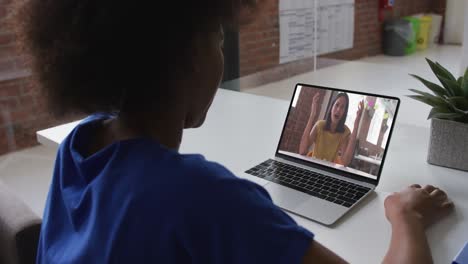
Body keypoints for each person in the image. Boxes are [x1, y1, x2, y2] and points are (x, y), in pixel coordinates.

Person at [13, 0, 454, 263]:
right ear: (186, 56)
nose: (220, 55)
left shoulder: (80, 145)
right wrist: (406, 216)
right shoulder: (201, 195)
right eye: (218, 41)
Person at [299, 92, 363, 166]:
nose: (338, 110)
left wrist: (356, 124)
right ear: (332, 107)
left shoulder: (345, 132)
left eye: (342, 107)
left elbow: (346, 162)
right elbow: (302, 151)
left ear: (344, 113)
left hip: (328, 169)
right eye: (337, 105)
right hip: (313, 165)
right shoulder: (319, 125)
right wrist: (312, 115)